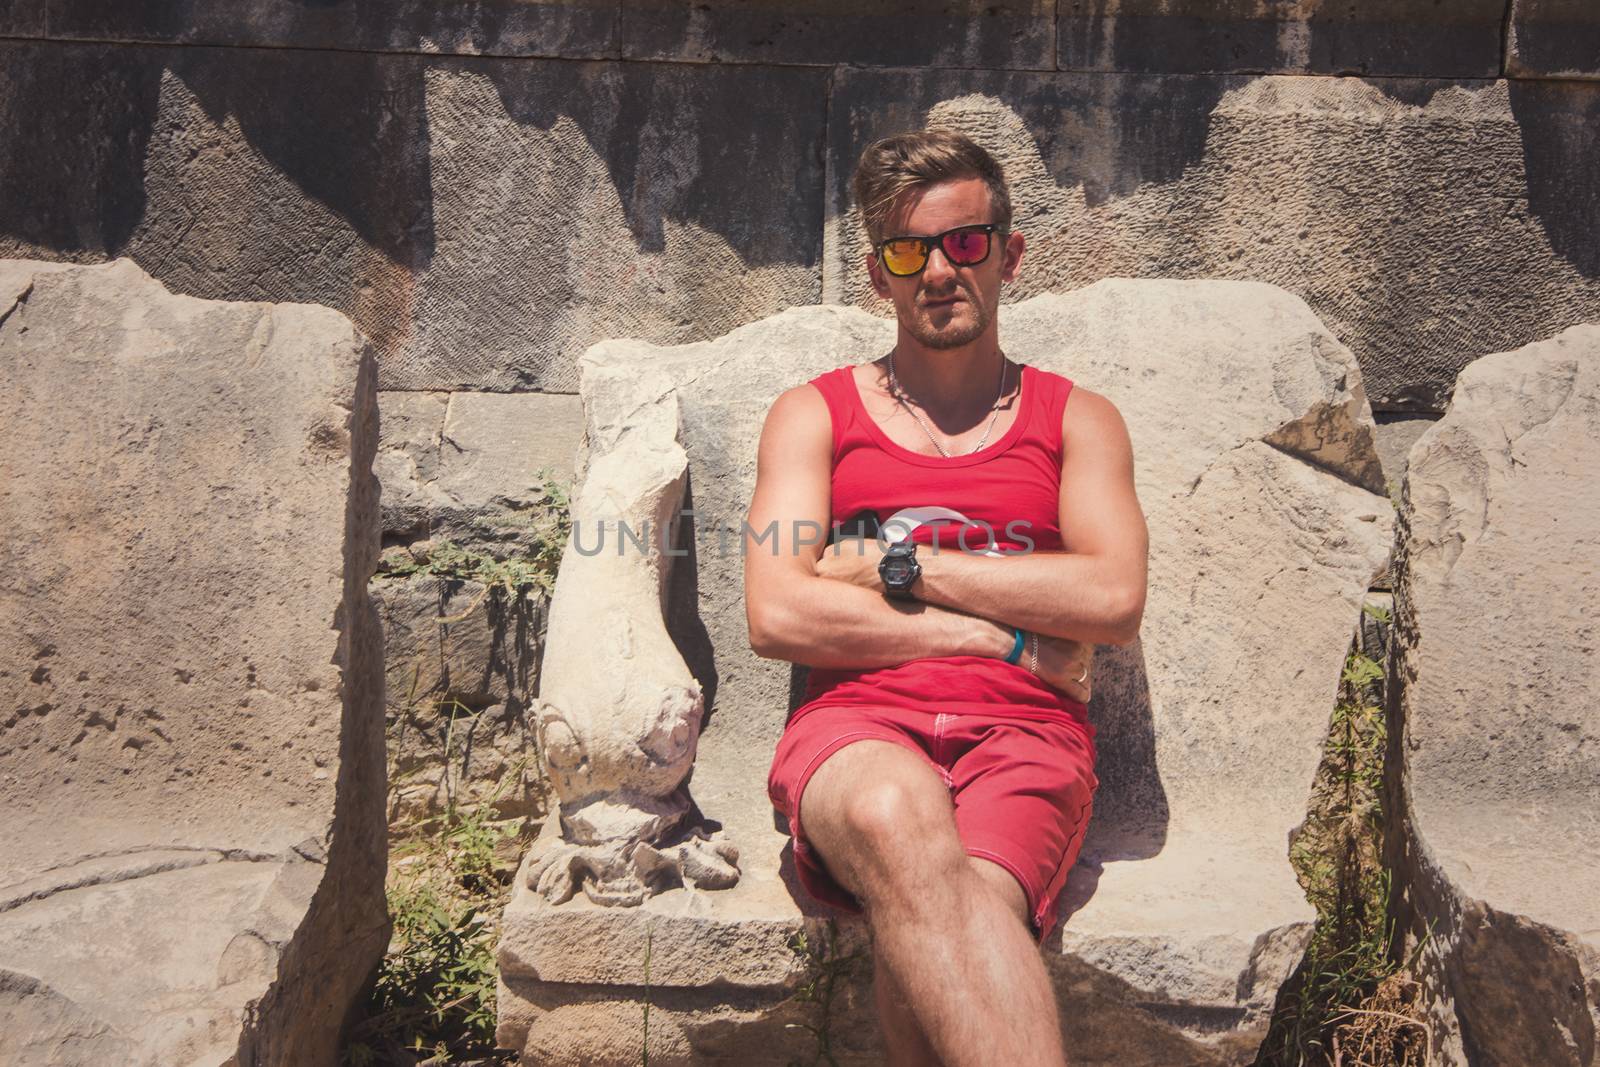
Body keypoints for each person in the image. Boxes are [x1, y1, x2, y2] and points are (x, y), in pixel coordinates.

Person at [743, 128, 1149, 1067]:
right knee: (896, 813)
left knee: (959, 902)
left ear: (1008, 254)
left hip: (1028, 739)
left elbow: (1113, 595)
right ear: (877, 277)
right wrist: (1004, 639)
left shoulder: (1077, 420)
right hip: (856, 731)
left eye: (964, 242)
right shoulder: (813, 416)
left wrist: (900, 564)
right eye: (906, 251)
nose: (937, 270)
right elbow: (778, 612)